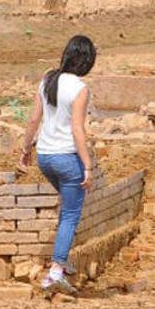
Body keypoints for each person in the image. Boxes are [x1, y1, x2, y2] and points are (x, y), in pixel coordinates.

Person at [19, 35, 96, 294]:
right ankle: (55, 272)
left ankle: (62, 261)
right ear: (87, 61)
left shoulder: (47, 80)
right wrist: (87, 165)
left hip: (45, 157)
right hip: (66, 158)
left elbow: (33, 120)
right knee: (72, 214)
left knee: (68, 205)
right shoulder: (79, 89)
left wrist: (25, 149)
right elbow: (77, 129)